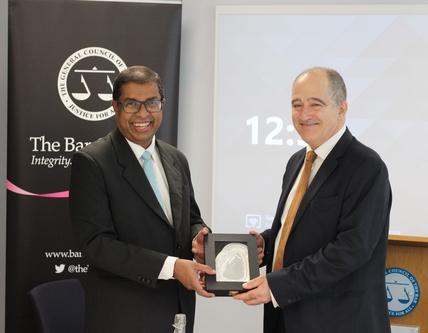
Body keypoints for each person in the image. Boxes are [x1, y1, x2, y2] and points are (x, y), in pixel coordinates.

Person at [234, 67, 392, 333]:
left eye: (315, 104)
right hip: (286, 317)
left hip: (338, 322)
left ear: (342, 108)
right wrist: (266, 244)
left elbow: (351, 248)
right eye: (297, 105)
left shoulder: (366, 166)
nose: (304, 114)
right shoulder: (297, 161)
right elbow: (299, 230)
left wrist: (278, 285)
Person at [69, 65, 214, 333]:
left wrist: (199, 237)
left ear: (162, 104)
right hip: (125, 316)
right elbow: (96, 244)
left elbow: (191, 218)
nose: (143, 113)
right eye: (132, 104)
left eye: (152, 103)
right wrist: (171, 267)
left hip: (179, 310)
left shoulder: (176, 158)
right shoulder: (92, 162)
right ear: (115, 106)